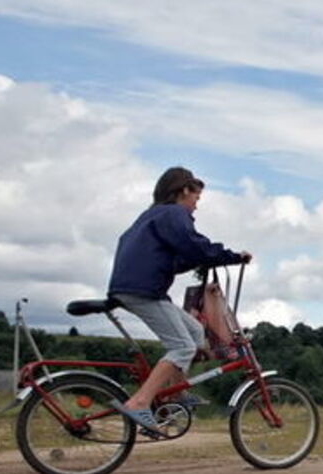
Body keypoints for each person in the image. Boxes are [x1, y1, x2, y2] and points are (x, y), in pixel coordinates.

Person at [108, 167, 251, 435]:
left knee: (195, 332)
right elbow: (194, 245)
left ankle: (175, 396)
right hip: (143, 291)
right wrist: (232, 256)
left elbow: (178, 258)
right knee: (183, 346)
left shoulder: (152, 216)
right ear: (185, 190)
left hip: (134, 287)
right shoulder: (174, 213)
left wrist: (204, 260)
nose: (197, 204)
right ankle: (140, 402)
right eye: (197, 197)